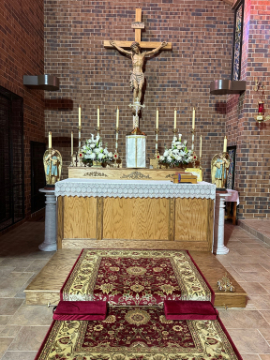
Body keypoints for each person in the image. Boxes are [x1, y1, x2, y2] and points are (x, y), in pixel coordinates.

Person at [110, 40, 168, 105]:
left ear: (138, 47)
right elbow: (123, 50)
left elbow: (153, 51)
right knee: (136, 88)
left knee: (140, 89)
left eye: (135, 47)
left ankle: (138, 103)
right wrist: (115, 45)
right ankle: (134, 103)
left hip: (140, 74)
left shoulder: (143, 55)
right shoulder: (132, 55)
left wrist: (160, 46)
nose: (135, 49)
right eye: (133, 48)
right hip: (134, 74)